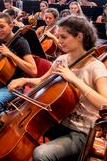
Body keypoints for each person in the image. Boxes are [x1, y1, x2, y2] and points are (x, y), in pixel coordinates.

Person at [8, 16, 107, 161]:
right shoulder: (62, 60)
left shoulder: (95, 67)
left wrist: (73, 79)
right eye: (58, 36)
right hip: (57, 120)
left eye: (63, 37)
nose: (58, 40)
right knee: (12, 124)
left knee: (41, 154)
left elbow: (104, 103)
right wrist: (24, 80)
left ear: (79, 36)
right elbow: (42, 81)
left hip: (82, 130)